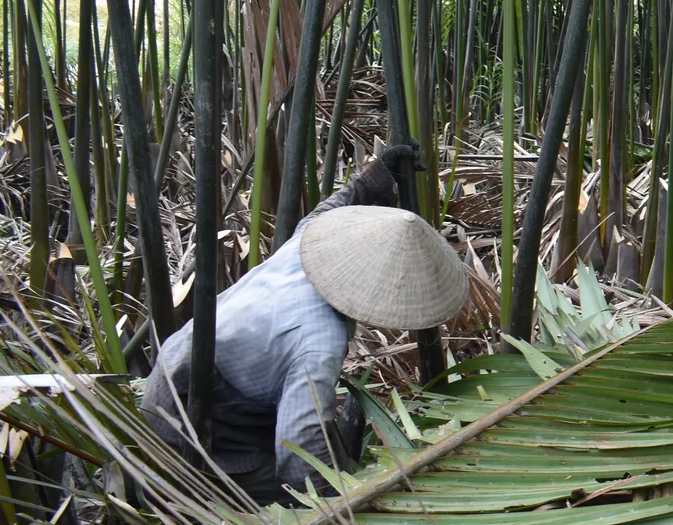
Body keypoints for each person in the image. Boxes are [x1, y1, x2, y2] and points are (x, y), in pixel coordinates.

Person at [141, 143, 471, 503]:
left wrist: (381, 174)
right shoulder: (320, 340)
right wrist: (342, 502)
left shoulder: (305, 247)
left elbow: (329, 211)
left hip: (181, 362)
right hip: (188, 415)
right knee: (278, 497)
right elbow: (300, 441)